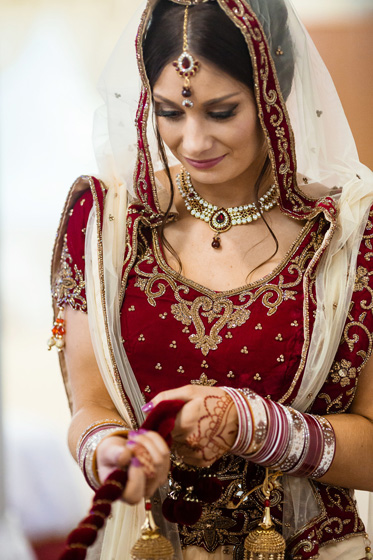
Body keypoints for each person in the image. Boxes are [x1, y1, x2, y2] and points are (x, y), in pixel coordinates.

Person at [50, 0, 373, 559]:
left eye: (221, 112)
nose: (194, 141)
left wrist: (254, 424)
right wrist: (107, 451)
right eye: (170, 112)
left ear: (274, 88)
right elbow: (91, 406)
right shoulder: (105, 224)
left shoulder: (351, 232)